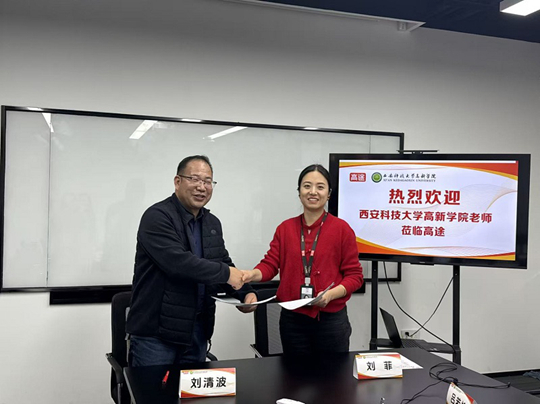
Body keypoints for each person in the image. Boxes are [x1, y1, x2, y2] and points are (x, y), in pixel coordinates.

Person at [126, 155, 257, 367]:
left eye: (207, 181)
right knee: (154, 388)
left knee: (192, 389)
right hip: (156, 335)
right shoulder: (157, 217)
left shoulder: (212, 223)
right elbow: (179, 264)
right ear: (177, 182)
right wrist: (227, 273)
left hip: (197, 331)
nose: (201, 187)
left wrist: (245, 293)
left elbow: (221, 260)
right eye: (194, 179)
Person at [242, 164, 363, 355]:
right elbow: (270, 265)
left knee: (333, 374)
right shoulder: (285, 228)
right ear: (299, 192)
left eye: (320, 187)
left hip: (331, 321)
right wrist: (250, 275)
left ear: (329, 194)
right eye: (307, 186)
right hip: (293, 320)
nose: (313, 192)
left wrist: (330, 295)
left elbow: (355, 276)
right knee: (294, 373)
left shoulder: (342, 229)